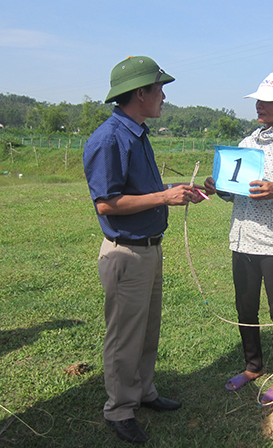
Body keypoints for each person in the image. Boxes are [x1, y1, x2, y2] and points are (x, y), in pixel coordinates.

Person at [83, 56, 203, 444]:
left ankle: (143, 392)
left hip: (149, 250)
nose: (163, 96)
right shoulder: (110, 139)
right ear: (140, 93)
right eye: (159, 88)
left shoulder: (137, 132)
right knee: (124, 336)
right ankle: (119, 409)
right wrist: (164, 197)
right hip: (126, 253)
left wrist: (177, 193)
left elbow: (146, 194)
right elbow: (106, 203)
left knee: (147, 330)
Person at [203, 72, 273, 405]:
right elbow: (235, 192)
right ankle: (252, 366)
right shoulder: (246, 144)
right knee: (245, 308)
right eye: (258, 101)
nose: (260, 107)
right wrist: (219, 187)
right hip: (242, 239)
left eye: (267, 101)